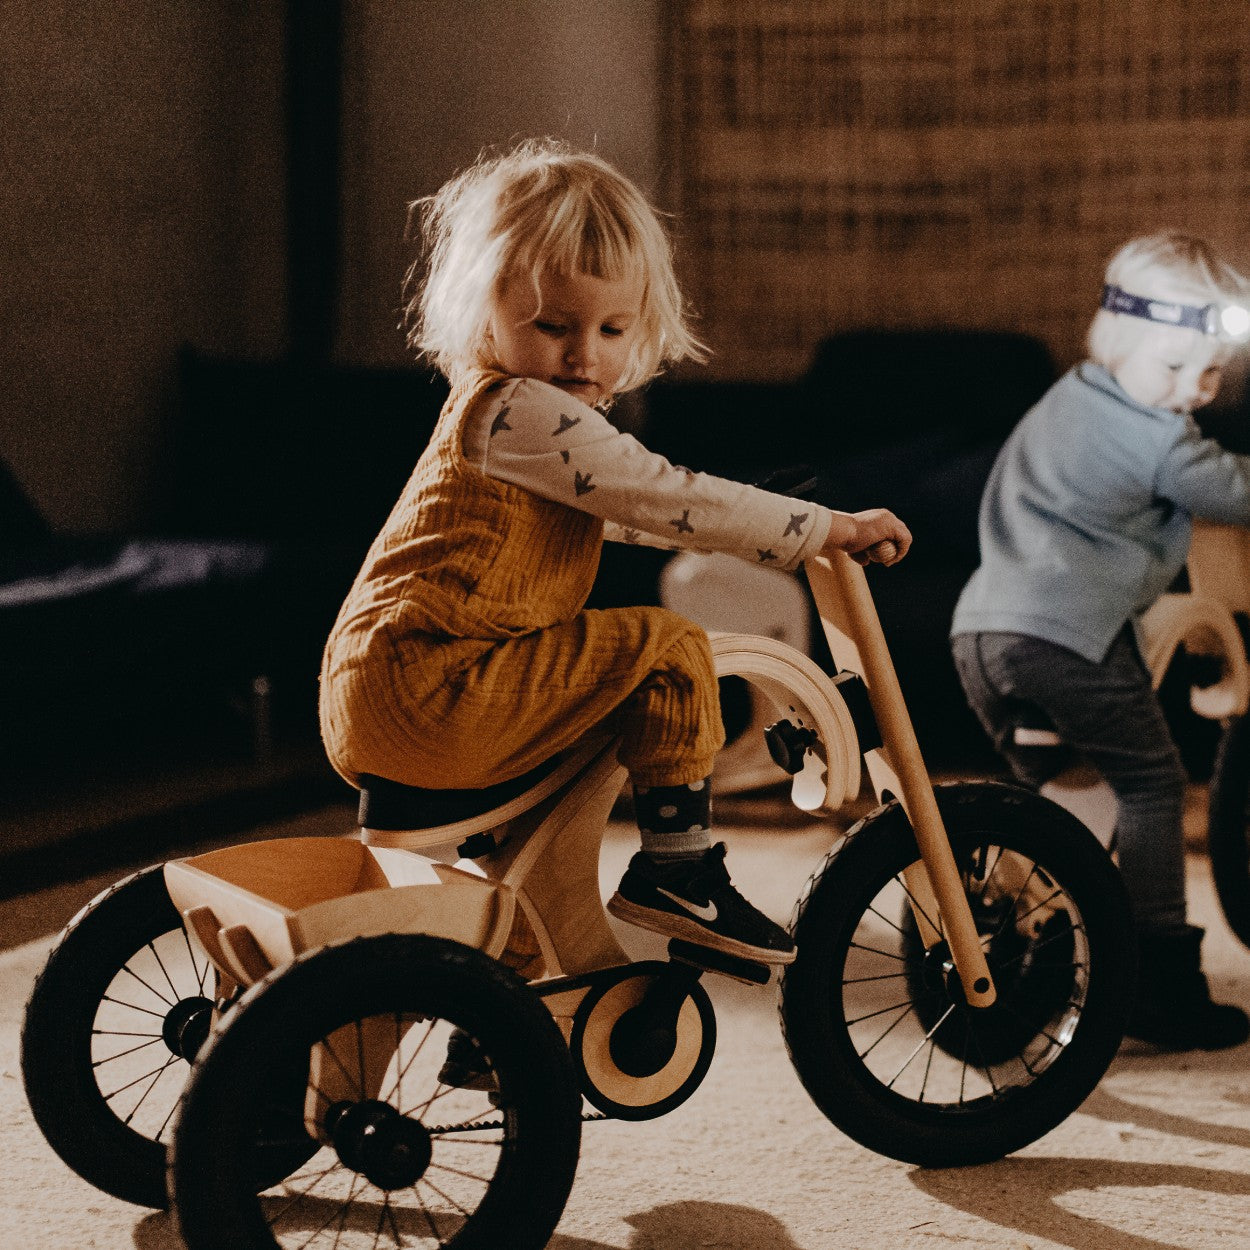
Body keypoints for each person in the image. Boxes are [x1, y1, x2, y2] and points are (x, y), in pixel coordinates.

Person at [318, 138, 911, 968]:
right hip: (433, 686)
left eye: (611, 328)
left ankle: (501, 1018)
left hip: (399, 687)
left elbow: (643, 515)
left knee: (524, 863)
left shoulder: (515, 422)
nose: (584, 355)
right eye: (552, 326)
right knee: (668, 648)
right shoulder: (520, 407)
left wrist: (773, 519)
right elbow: (663, 495)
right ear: (485, 313)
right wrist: (827, 527)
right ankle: (680, 870)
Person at [950, 230, 1250, 1050]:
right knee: (1153, 783)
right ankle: (1158, 979)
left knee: (1065, 799)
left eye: (1210, 372)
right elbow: (1229, 489)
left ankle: (1021, 952)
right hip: (1065, 641)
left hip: (983, 636)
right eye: (1172, 367)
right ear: (1115, 338)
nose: (1190, 389)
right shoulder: (1157, 436)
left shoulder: (1069, 399)